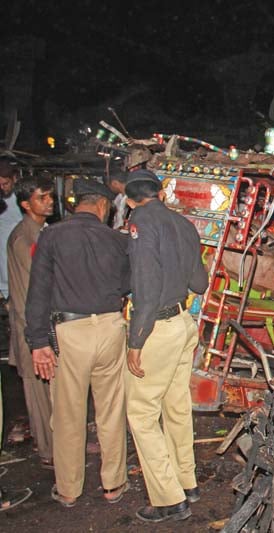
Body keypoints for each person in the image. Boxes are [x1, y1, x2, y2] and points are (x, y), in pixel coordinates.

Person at [25, 178, 130, 508]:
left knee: (68, 413)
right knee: (111, 411)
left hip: (70, 333)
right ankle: (113, 484)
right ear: (101, 205)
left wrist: (38, 340)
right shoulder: (118, 239)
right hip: (111, 329)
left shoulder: (51, 236)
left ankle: (69, 489)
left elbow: (38, 291)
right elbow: (128, 283)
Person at [124, 169, 208, 523]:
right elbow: (200, 283)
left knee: (142, 415)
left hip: (156, 327)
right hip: (183, 324)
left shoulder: (140, 221)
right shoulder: (183, 223)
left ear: (129, 199)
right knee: (176, 406)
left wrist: (136, 340)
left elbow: (145, 283)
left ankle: (168, 499)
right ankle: (186, 481)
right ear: (159, 192)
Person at [7, 176, 55, 468]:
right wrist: (38, 338)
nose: (49, 201)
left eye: (50, 196)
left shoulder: (43, 231)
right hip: (31, 327)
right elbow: (30, 292)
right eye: (42, 197)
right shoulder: (25, 238)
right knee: (38, 396)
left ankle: (58, 443)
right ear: (26, 204)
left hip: (40, 324)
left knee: (51, 393)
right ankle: (49, 451)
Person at [0, 160, 23, 301]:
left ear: (14, 178)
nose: (2, 188)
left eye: (5, 184)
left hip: (20, 251)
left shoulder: (23, 198)